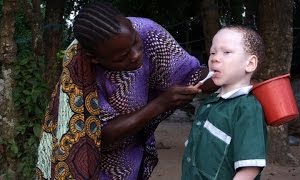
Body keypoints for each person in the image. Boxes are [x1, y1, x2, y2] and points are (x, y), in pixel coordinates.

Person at [35, 1, 216, 180]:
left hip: (131, 158)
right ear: (95, 58)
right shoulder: (79, 71)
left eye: (135, 42)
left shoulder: (149, 33)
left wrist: (231, 71)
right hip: (92, 165)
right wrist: (160, 104)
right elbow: (98, 135)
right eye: (122, 57)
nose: (136, 55)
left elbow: (192, 75)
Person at [181, 25, 268, 180]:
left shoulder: (247, 108)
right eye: (212, 53)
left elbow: (249, 170)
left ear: (250, 64)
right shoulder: (210, 101)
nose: (214, 58)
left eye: (226, 52)